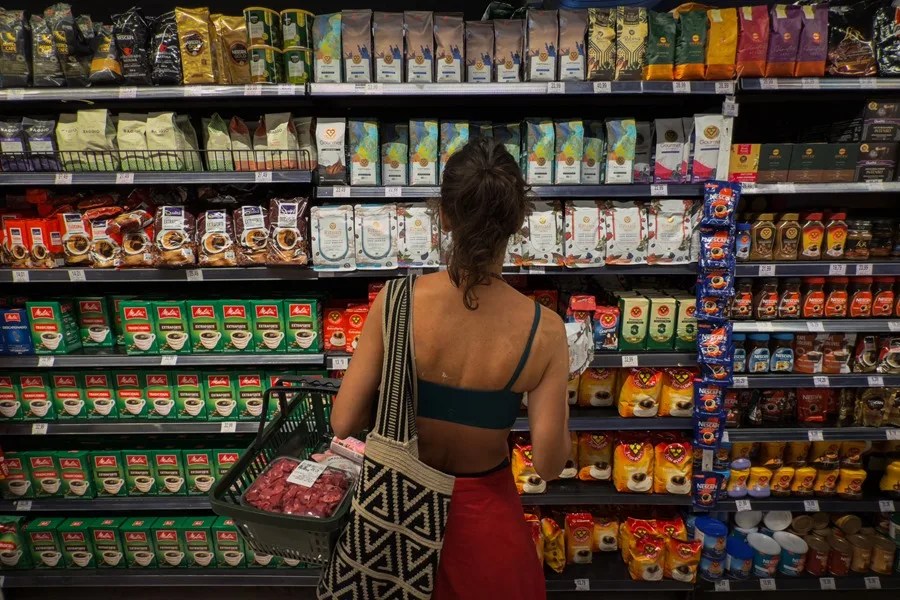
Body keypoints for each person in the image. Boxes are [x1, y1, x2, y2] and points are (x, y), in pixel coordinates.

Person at [330, 138, 571, 599]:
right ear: (518, 221)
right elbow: (549, 463)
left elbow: (343, 421)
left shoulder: (395, 302)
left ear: (443, 215)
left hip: (396, 527)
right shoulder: (545, 330)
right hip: (487, 530)